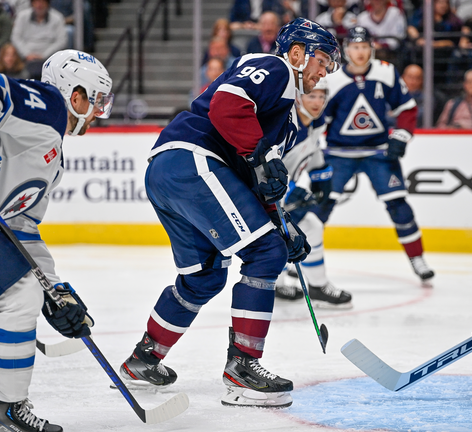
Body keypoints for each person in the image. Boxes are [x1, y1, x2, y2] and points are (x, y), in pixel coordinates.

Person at [118, 18, 340, 408]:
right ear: (297, 53)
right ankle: (243, 368)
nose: (324, 72)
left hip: (173, 172)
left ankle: (143, 359)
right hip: (193, 161)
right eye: (322, 59)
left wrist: (282, 223)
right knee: (265, 254)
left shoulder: (286, 123)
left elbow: (256, 183)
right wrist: (261, 157)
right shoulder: (276, 69)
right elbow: (227, 106)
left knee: (203, 278)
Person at [0, 49, 113, 431]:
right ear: (76, 95)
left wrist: (57, 291)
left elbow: (20, 225)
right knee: (21, 294)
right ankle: (6, 411)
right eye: (96, 101)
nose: (96, 113)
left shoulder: (52, 155)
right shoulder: (50, 108)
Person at [319, 26, 435, 284]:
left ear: (371, 49)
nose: (359, 53)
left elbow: (406, 108)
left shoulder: (386, 72)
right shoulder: (332, 79)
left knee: (399, 206)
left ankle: (417, 259)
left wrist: (401, 137)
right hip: (339, 153)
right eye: (354, 47)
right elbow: (319, 117)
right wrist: (315, 147)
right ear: (346, 51)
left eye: (364, 47)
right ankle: (306, 261)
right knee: (321, 205)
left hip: (378, 152)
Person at [274, 79, 353, 308]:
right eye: (311, 96)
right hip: (263, 197)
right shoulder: (285, 126)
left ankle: (305, 286)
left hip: (279, 196)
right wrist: (291, 191)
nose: (317, 102)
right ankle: (274, 284)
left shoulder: (315, 123)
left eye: (321, 96)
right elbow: (264, 167)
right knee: (276, 239)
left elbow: (314, 149)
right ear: (298, 98)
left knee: (309, 227)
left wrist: (321, 177)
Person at [356, 0, 407, 66]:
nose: (377, 1)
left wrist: (382, 46)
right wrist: (372, 45)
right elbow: (360, 38)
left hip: (391, 53)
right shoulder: (362, 17)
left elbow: (399, 37)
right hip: (368, 53)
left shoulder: (395, 13)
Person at [401, 64, 447, 128]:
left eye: (417, 78)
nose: (413, 82)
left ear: (422, 80)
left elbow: (419, 117)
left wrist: (397, 114)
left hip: (419, 133)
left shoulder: (427, 99)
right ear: (402, 78)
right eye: (410, 77)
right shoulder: (393, 96)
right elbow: (387, 117)